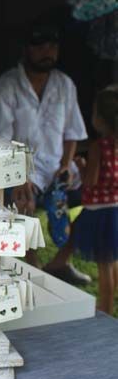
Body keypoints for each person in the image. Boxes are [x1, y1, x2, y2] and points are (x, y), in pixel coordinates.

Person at [0, 21, 90, 285]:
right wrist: (20, 177)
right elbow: (3, 140)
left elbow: (73, 134)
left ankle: (61, 262)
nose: (48, 51)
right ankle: (32, 267)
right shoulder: (5, 86)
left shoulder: (65, 84)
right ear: (26, 49)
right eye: (40, 45)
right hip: (21, 168)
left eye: (53, 46)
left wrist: (67, 165)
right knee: (23, 200)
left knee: (100, 197)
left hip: (58, 167)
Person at [72, 85, 118, 314]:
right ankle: (108, 302)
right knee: (112, 260)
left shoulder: (98, 147)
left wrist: (81, 166)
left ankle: (106, 309)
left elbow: (89, 182)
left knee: (104, 264)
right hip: (115, 210)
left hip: (98, 212)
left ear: (100, 118)